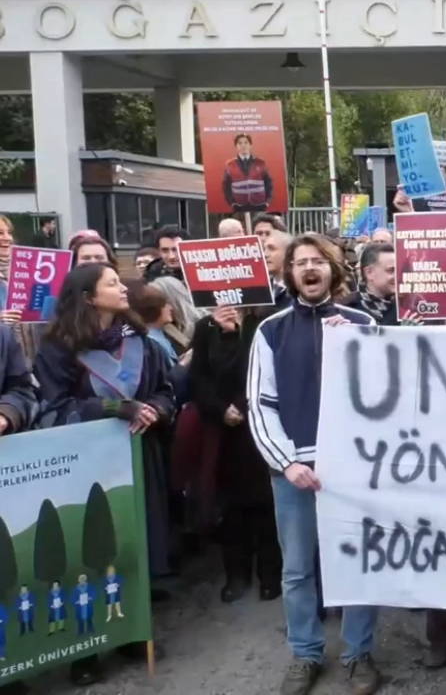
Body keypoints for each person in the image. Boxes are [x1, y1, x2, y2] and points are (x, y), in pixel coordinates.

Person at [246, 234, 380, 695]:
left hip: (355, 472)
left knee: (358, 563)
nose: (309, 268)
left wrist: (357, 348)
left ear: (332, 269)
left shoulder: (363, 323)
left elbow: (387, 396)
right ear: (290, 275)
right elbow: (260, 406)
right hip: (295, 473)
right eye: (300, 262)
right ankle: (305, 654)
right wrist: (286, 463)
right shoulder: (270, 331)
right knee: (299, 568)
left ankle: (359, 653)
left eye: (317, 260)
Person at [35, 262, 176, 685]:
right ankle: (87, 647)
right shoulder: (58, 349)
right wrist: (113, 408)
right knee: (91, 551)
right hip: (85, 468)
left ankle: (133, 632)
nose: (122, 288)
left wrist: (157, 410)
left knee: (135, 546)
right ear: (87, 297)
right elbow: (52, 410)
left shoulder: (141, 342)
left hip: (139, 457)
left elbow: (166, 390)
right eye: (112, 283)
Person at [189, 302, 283, 604]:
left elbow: (259, 371)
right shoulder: (205, 328)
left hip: (262, 423)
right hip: (225, 428)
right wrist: (219, 409)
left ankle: (270, 573)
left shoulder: (266, 322)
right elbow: (200, 377)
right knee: (231, 505)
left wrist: (237, 335)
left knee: (267, 502)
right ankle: (236, 574)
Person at [345, 243, 397, 326]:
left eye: (399, 270)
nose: (397, 276)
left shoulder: (406, 309)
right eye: (391, 270)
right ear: (369, 273)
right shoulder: (346, 310)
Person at [222, 133, 275, 213]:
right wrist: (232, 203)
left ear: (250, 145)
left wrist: (267, 202)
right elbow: (226, 186)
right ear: (236, 146)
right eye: (240, 143)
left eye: (246, 142)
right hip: (239, 207)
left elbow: (269, 183)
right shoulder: (230, 164)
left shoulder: (260, 163)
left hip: (259, 206)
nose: (243, 145)